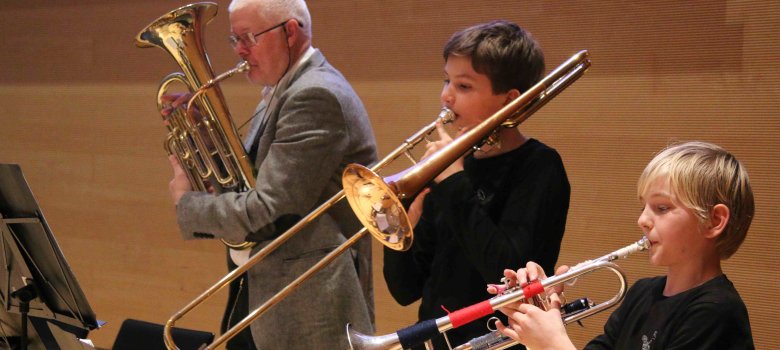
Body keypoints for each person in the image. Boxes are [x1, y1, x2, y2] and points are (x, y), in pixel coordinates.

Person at [163, 0, 377, 348]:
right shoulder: (283, 89)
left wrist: (188, 204)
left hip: (309, 305)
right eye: (234, 40)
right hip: (271, 289)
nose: (240, 51)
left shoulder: (315, 94)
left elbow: (268, 209)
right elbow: (251, 183)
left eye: (248, 37)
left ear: (290, 32)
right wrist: (204, 135)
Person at [383, 20, 571, 349]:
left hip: (499, 340)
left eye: (464, 86)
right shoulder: (452, 172)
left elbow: (505, 273)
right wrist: (401, 227)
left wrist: (456, 181)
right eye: (447, 80)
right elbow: (404, 290)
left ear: (508, 99)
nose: (446, 96)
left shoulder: (540, 168)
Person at [494, 141, 755, 349]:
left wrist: (553, 344)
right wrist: (538, 316)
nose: (643, 220)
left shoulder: (717, 313)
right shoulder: (642, 293)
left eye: (662, 208)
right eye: (644, 207)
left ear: (714, 221)